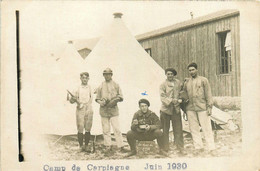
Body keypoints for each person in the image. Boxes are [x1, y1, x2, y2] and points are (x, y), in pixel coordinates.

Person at [183, 62, 216, 156]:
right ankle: (198, 147)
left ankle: (211, 147)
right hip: (190, 108)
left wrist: (209, 106)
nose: (191, 72)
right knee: (193, 128)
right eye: (189, 70)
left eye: (193, 69)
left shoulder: (203, 80)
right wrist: (184, 109)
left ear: (197, 70)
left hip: (202, 107)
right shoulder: (187, 82)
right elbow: (184, 95)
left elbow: (208, 94)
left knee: (206, 128)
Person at [95, 68, 126, 154]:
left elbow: (121, 96)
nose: (107, 76)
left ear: (111, 75)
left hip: (113, 110)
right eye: (105, 74)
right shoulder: (100, 86)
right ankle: (108, 146)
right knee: (106, 129)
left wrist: (115, 100)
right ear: (103, 75)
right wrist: (100, 102)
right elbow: (97, 98)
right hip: (104, 110)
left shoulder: (116, 85)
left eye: (108, 74)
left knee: (116, 128)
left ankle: (121, 146)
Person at [159, 67, 185, 155]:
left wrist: (181, 99)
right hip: (165, 110)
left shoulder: (178, 83)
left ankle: (180, 147)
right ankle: (165, 147)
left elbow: (182, 92)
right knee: (165, 130)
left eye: (171, 74)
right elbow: (162, 97)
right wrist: (171, 100)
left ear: (174, 75)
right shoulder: (162, 85)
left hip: (176, 109)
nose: (170, 75)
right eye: (168, 74)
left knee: (178, 129)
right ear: (166, 75)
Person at [69, 72, 93, 152]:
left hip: (89, 108)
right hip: (80, 108)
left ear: (88, 79)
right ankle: (81, 146)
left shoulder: (90, 88)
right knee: (80, 127)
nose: (84, 79)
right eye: (83, 78)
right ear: (80, 78)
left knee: (88, 128)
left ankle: (86, 146)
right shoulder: (77, 88)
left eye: (86, 78)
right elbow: (71, 100)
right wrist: (73, 99)